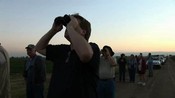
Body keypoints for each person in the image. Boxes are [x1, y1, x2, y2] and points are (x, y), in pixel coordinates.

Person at [35, 14, 100, 98]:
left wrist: (70, 27)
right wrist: (53, 30)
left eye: (74, 24)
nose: (68, 26)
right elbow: (39, 48)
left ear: (83, 31)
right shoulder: (62, 49)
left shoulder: (92, 47)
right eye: (68, 24)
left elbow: (85, 54)